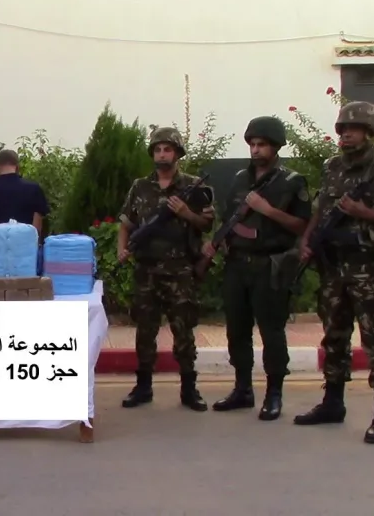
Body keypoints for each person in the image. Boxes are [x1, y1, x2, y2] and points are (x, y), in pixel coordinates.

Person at [294, 101, 374, 444]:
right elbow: (320, 209)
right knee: (334, 336)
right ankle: (332, 403)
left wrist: (363, 212)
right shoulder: (331, 167)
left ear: (370, 132)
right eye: (343, 128)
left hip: (371, 268)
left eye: (354, 128)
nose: (346, 134)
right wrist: (307, 240)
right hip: (334, 266)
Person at [202, 116, 311, 420]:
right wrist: (218, 242)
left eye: (262, 144)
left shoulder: (292, 181)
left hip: (270, 267)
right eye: (252, 144)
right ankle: (243, 389)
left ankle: (274, 393)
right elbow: (228, 217)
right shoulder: (240, 178)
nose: (255, 149)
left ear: (276, 147)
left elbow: (302, 225)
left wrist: (268, 210)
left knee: (271, 332)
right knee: (237, 330)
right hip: (237, 265)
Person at [117, 127, 215, 412]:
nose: (162, 154)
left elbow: (207, 224)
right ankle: (143, 387)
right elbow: (126, 224)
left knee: (183, 332)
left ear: (177, 153)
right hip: (146, 270)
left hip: (180, 270)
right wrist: (122, 249)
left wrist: (186, 213)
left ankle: (189, 389)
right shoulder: (140, 187)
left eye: (167, 149)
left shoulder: (194, 186)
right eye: (158, 150)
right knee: (145, 331)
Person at [0, 149, 50, 249]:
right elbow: (36, 228)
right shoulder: (34, 190)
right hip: (26, 252)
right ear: (18, 167)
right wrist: (31, 250)